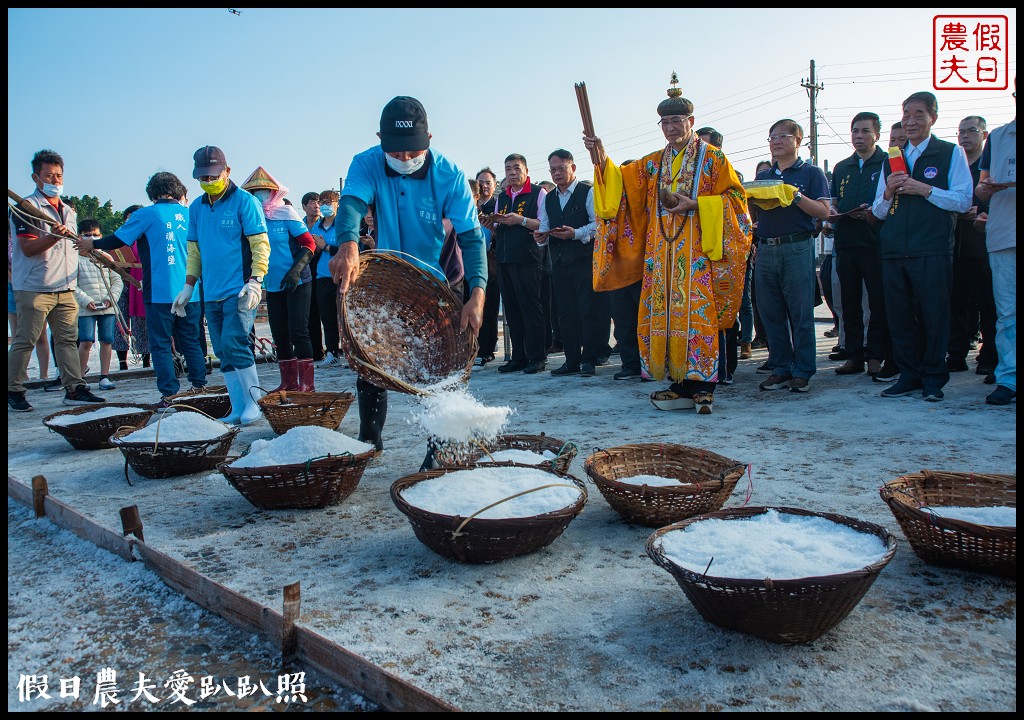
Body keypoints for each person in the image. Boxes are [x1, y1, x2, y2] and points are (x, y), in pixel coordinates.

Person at [327, 96, 487, 455]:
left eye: (411, 152)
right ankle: (369, 439)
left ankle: (441, 446)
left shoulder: (450, 175)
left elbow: (473, 239)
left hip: (439, 278)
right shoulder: (366, 163)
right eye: (395, 152)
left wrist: (477, 295)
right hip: (388, 276)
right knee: (371, 357)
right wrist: (348, 245)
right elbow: (351, 204)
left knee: (441, 366)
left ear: (429, 139)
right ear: (380, 139)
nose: (403, 159)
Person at [584, 74, 752, 414]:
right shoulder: (652, 162)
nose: (671, 127)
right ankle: (680, 382)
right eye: (665, 122)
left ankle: (704, 385)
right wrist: (600, 158)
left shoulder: (713, 159)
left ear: (691, 122)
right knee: (668, 316)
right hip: (661, 255)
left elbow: (736, 200)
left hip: (699, 254)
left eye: (677, 121)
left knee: (701, 315)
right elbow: (621, 184)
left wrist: (695, 204)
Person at [871, 91, 973, 402]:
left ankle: (933, 378)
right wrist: (888, 192)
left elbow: (963, 199)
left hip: (931, 249)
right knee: (899, 317)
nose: (910, 121)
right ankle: (909, 375)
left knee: (934, 315)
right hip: (893, 251)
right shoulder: (893, 157)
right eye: (906, 115)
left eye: (918, 114)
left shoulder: (950, 153)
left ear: (933, 118)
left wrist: (924, 189)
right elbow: (877, 211)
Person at [81, 172, 209, 406]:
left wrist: (93, 244)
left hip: (160, 291)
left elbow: (118, 240)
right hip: (191, 290)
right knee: (190, 340)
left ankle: (170, 394)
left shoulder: (146, 214)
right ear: (178, 191)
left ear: (153, 193)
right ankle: (198, 387)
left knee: (160, 343)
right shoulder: (190, 214)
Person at [172, 146, 270, 424]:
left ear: (227, 171)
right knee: (221, 348)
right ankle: (238, 406)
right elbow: (194, 252)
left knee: (235, 341)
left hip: (239, 288)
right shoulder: (196, 208)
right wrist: (189, 286)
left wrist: (256, 280)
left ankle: (255, 402)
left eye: (213, 175)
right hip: (210, 290)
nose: (208, 181)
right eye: (202, 177)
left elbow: (260, 245)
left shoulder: (244, 202)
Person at [8, 149, 104, 411]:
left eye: (59, 175)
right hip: (35, 287)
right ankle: (13, 389)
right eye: (49, 175)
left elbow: (72, 245)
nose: (55, 180)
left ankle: (75, 387)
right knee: (25, 338)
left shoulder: (68, 210)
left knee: (66, 339)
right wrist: (53, 236)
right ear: (36, 177)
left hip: (65, 285)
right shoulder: (25, 208)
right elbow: (27, 249)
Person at [750, 120, 832, 394]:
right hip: (766, 248)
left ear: (798, 140)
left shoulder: (811, 173)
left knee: (800, 312)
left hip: (797, 246)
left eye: (783, 136)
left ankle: (803, 370)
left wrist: (794, 196)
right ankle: (781, 367)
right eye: (771, 137)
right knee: (770, 311)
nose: (776, 141)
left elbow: (823, 212)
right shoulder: (763, 178)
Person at [829, 112, 894, 379]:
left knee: (878, 303)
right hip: (846, 242)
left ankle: (876, 355)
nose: (859, 136)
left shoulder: (887, 163)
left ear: (877, 134)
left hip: (875, 242)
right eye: (855, 131)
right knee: (849, 302)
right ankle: (854, 354)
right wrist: (834, 212)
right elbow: (833, 201)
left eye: (865, 131)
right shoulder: (842, 167)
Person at [240, 167, 317, 393]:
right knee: (280, 334)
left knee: (298, 331)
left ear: (274, 192)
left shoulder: (286, 214)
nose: (259, 195)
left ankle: (307, 385)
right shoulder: (252, 219)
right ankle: (289, 382)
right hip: (272, 285)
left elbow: (309, 244)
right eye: (254, 192)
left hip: (297, 281)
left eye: (263, 191)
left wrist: (296, 270)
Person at [534, 149, 601, 377]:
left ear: (572, 167)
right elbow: (544, 225)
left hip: (584, 261)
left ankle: (589, 360)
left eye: (561, 168)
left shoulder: (587, 192)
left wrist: (575, 233)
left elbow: (598, 225)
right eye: (553, 170)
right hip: (559, 263)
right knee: (565, 313)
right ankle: (571, 360)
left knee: (587, 311)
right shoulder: (549, 197)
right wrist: (541, 236)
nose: (557, 173)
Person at [947, 116, 996, 378]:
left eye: (971, 131)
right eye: (960, 132)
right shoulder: (954, 165)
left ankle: (988, 356)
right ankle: (956, 354)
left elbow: (999, 198)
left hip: (982, 246)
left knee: (987, 304)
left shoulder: (990, 168)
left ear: (984, 135)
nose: (965, 136)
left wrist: (982, 209)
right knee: (956, 302)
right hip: (954, 244)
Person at [974, 95, 1015, 406]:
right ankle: (1009, 378)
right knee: (1007, 315)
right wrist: (986, 188)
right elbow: (981, 185)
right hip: (1003, 235)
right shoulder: (998, 137)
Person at [491, 153, 548, 374]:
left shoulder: (537, 192)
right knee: (512, 310)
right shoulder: (502, 197)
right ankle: (519, 357)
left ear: (525, 170)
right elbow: (498, 228)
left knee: (530, 308)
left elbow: (544, 225)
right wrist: (490, 224)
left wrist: (521, 220)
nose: (512, 173)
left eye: (516, 168)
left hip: (527, 258)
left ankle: (537, 357)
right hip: (504, 258)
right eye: (508, 169)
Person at [73, 220, 123, 391]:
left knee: (107, 340)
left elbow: (117, 281)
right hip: (86, 308)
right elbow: (73, 285)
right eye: (87, 234)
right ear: (79, 236)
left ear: (101, 237)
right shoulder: (75, 259)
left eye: (95, 235)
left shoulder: (106, 257)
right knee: (86, 341)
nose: (91, 237)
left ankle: (104, 376)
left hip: (107, 307)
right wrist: (86, 301)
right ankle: (80, 378)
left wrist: (111, 298)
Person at [8, 225, 51, 384]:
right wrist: (14, 281)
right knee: (19, 335)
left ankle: (44, 374)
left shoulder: (37, 237)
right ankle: (20, 376)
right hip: (14, 288)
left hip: (37, 286)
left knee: (40, 335)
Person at [109, 204, 150, 373]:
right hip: (121, 284)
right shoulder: (119, 238)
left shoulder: (148, 238)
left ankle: (146, 360)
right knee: (120, 321)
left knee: (143, 322)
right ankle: (122, 362)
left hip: (140, 284)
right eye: (129, 217)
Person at [311, 189, 343, 368]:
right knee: (328, 317)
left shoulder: (344, 224)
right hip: (323, 276)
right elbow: (314, 249)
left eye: (329, 202)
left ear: (337, 203)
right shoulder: (317, 226)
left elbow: (351, 250)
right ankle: (332, 352)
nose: (325, 206)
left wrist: (326, 247)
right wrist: (316, 249)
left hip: (341, 275)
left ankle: (351, 352)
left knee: (345, 317)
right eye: (322, 202)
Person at [474, 167, 501, 367]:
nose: (484, 186)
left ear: (495, 185)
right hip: (471, 262)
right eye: (480, 183)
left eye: (488, 182)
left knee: (489, 305)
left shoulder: (496, 206)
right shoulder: (470, 206)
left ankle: (487, 349)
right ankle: (474, 348)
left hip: (491, 261)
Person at [301, 191, 325, 363]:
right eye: (311, 202)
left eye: (318, 202)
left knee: (328, 313)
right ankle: (316, 351)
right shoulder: (299, 225)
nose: (316, 205)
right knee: (310, 314)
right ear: (304, 206)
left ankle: (334, 349)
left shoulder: (325, 224)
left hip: (323, 272)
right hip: (305, 273)